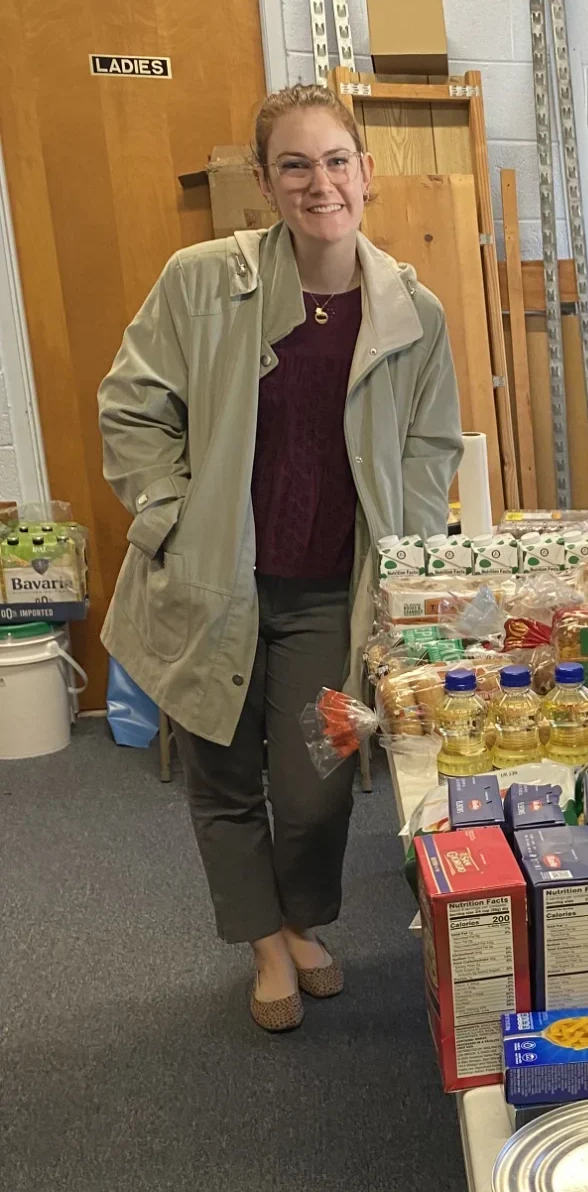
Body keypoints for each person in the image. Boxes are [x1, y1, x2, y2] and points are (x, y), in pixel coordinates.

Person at [98, 84, 463, 1031]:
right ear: (265, 181)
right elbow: (132, 408)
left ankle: (302, 917)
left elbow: (431, 452)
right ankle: (268, 945)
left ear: (366, 173)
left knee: (316, 779)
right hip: (214, 581)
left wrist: (412, 573)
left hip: (330, 592)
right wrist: (174, 518)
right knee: (222, 776)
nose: (319, 183)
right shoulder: (202, 281)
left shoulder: (412, 313)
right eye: (294, 165)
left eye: (335, 160)